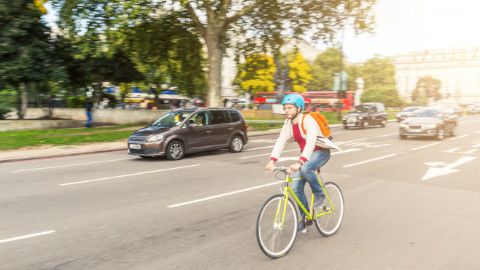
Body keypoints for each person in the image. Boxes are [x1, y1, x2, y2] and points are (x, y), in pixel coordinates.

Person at [265, 94, 339, 233]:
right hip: (306, 156)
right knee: (295, 188)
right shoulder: (288, 123)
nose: (286, 111)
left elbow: (311, 143)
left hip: (321, 152)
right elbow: (280, 141)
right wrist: (272, 161)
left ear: (299, 108)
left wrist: (301, 161)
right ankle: (306, 218)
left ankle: (319, 193)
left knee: (305, 168)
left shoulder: (308, 120)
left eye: (290, 108)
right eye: (285, 108)